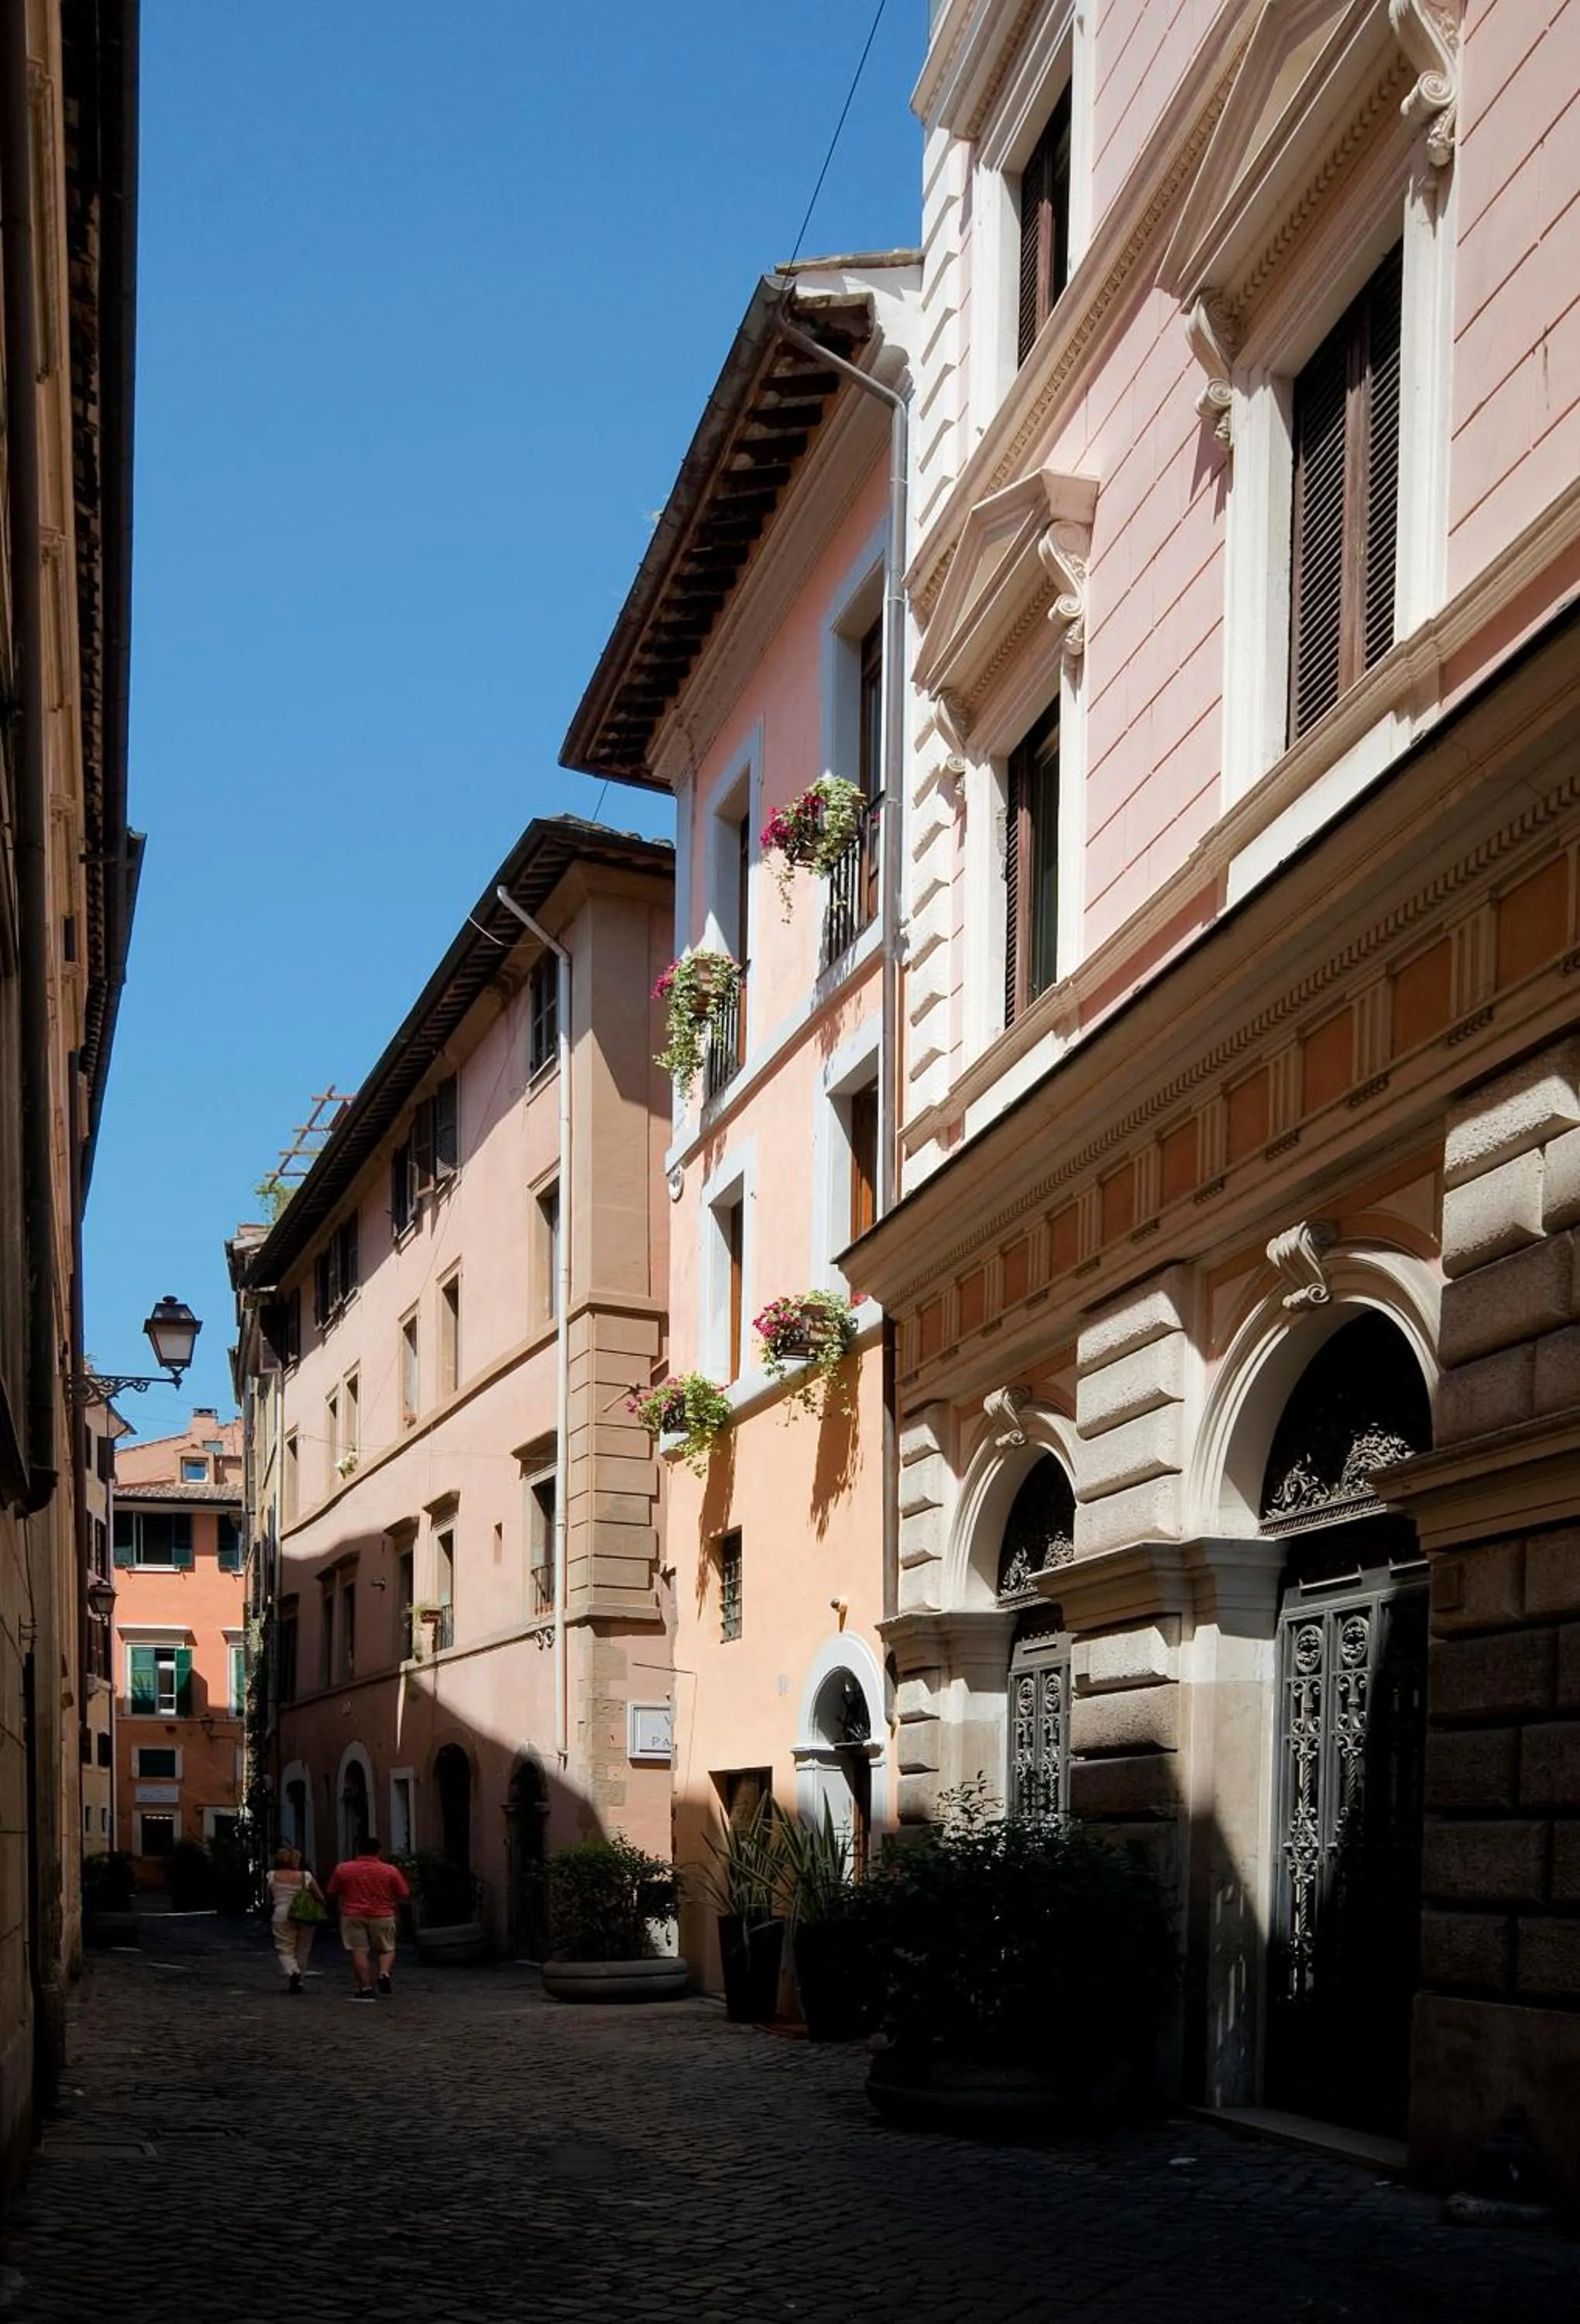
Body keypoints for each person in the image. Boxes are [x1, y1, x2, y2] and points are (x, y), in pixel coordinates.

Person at [326, 1836, 410, 2000]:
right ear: (378, 1851)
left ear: (358, 1850)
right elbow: (404, 1893)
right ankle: (384, 1973)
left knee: (359, 1951)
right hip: (383, 1914)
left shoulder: (343, 1869)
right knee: (387, 1948)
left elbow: (332, 1890)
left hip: (353, 1914)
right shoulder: (390, 1871)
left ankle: (365, 1987)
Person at [267, 1845, 325, 1994]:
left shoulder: (272, 1875)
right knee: (303, 1949)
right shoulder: (306, 1876)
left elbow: (270, 1896)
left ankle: (292, 1971)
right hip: (304, 1915)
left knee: (285, 1947)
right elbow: (320, 1897)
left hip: (281, 1913)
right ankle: (300, 1981)